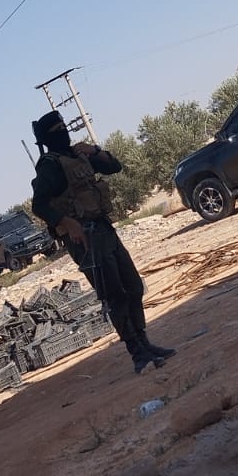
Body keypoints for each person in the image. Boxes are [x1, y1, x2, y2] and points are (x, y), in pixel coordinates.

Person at [28, 110, 175, 374]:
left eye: (64, 126)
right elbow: (39, 205)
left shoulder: (78, 155)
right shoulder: (49, 166)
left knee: (133, 286)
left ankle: (145, 342)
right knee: (114, 294)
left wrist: (95, 151)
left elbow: (114, 167)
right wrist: (67, 222)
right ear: (48, 138)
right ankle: (137, 353)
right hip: (84, 239)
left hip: (103, 228)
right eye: (57, 130)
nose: (64, 131)